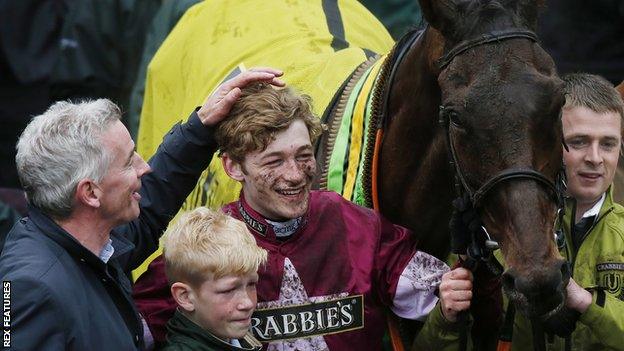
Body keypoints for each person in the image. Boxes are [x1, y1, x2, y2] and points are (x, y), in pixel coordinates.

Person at [133, 82, 474, 350]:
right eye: (274, 161)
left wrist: (460, 288)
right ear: (234, 167)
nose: (295, 175)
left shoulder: (356, 226)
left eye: (303, 155)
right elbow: (124, 330)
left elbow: (445, 297)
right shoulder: (205, 246)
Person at [0, 68, 284, 350]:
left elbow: (149, 206)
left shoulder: (91, 242)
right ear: (90, 193)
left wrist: (202, 126)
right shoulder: (31, 290)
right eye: (127, 162)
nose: (143, 167)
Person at [483, 73, 624, 350]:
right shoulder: (495, 236)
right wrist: (446, 318)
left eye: (608, 144)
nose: (595, 158)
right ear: (549, 143)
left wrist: (586, 302)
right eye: (579, 141)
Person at [161, 207, 266, 351]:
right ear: (185, 297)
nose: (247, 303)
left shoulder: (233, 338)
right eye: (228, 290)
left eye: (251, 284)